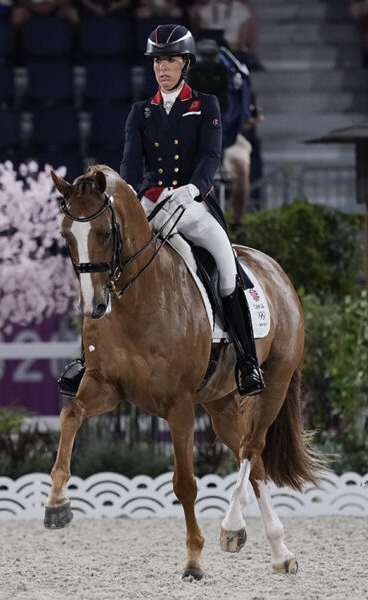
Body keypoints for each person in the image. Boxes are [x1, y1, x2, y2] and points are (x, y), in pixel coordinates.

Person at [119, 24, 265, 396]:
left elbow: (212, 155)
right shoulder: (141, 112)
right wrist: (131, 201)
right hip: (152, 203)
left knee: (227, 268)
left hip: (192, 203)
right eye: (157, 61)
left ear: (185, 63)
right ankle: (91, 358)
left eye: (169, 60)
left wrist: (193, 188)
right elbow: (131, 167)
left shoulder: (205, 105)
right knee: (109, 263)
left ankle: (247, 362)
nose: (162, 68)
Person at [187, 37, 254, 221]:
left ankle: (239, 222)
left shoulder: (235, 77)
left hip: (230, 135)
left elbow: (245, 115)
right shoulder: (183, 74)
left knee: (241, 170)